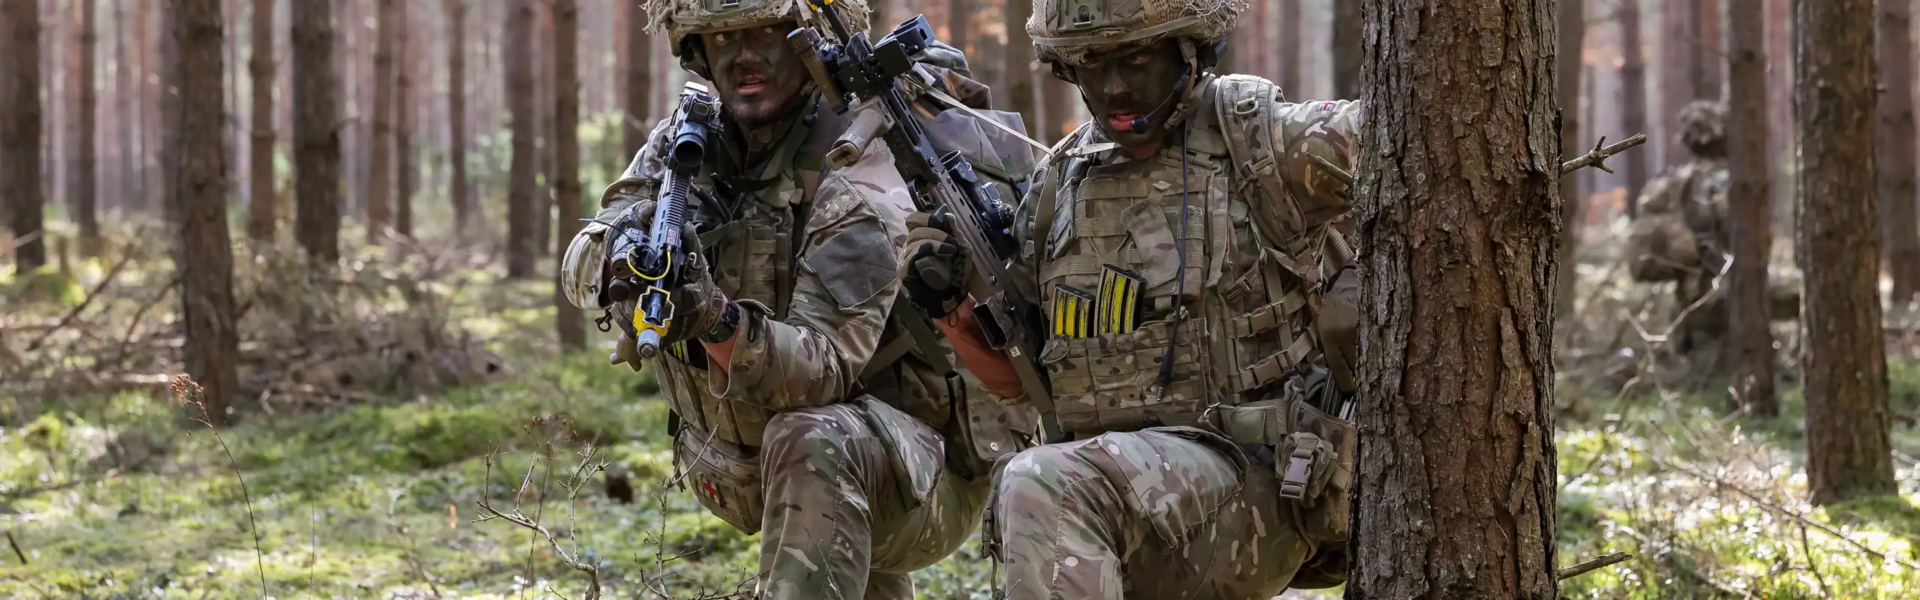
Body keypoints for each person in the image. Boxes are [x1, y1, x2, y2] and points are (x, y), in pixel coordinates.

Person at [557, 1, 1034, 598]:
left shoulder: (863, 162)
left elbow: (819, 373)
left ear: (808, 45)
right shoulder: (691, 140)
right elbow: (587, 255)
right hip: (746, 468)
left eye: (765, 33)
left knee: (815, 442)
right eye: (724, 37)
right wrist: (623, 259)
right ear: (698, 51)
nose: (744, 56)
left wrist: (711, 315)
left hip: (921, 479)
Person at [894, 0, 1366, 597]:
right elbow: (1018, 381)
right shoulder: (1059, 184)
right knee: (1047, 481)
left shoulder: (1261, 139)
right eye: (1092, 63)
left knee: (1043, 481)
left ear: (1187, 49)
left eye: (1137, 58)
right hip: (1114, 505)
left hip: (1267, 493)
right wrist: (950, 309)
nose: (1115, 86)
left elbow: (1418, 145)